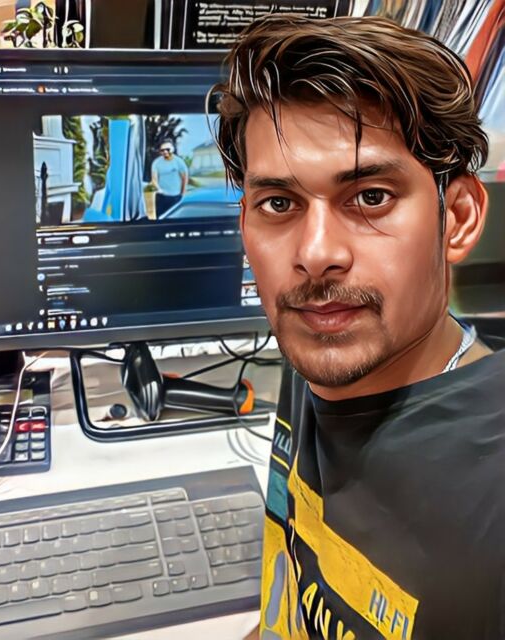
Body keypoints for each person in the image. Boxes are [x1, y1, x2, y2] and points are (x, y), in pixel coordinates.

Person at [211, 14, 505, 640]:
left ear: (456, 218)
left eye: (371, 197)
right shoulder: (322, 352)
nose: (315, 253)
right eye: (279, 203)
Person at [151, 141, 188, 217]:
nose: (165, 152)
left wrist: (182, 194)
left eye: (167, 149)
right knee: (160, 218)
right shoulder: (156, 162)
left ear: (172, 149)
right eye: (162, 150)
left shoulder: (179, 162)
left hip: (176, 196)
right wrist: (159, 190)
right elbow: (154, 179)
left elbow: (184, 178)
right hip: (161, 196)